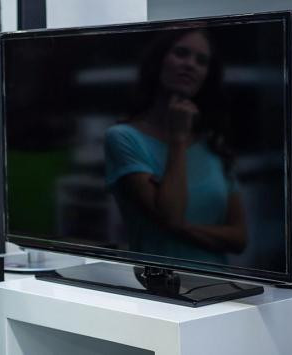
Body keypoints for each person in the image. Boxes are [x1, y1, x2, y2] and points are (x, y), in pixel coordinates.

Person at [104, 28, 246, 264]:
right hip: (156, 290)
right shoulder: (123, 138)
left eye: (201, 61)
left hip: (219, 289)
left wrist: (181, 228)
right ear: (159, 60)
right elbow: (172, 215)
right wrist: (178, 139)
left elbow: (240, 239)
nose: (190, 64)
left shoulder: (213, 143)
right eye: (181, 53)